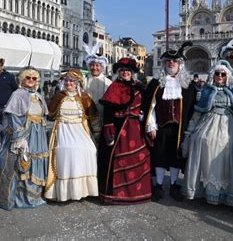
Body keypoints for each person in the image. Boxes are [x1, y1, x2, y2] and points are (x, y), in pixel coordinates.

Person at [143, 41, 196, 202]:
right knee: (159, 155)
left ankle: (173, 184)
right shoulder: (156, 84)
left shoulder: (188, 85)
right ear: (164, 64)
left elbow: (193, 108)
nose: (171, 63)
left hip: (180, 128)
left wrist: (190, 128)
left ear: (179, 64)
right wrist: (151, 126)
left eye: (174, 61)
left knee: (175, 157)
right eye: (168, 61)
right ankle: (158, 185)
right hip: (161, 127)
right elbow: (149, 107)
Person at [184, 60, 233, 206]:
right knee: (203, 140)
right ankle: (206, 189)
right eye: (217, 73)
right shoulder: (206, 91)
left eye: (223, 74)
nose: (220, 76)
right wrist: (190, 131)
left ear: (227, 76)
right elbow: (197, 113)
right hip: (209, 121)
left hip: (228, 124)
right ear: (213, 75)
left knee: (228, 146)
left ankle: (225, 192)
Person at [98, 57, 152, 204]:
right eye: (122, 71)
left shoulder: (140, 86)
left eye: (128, 71)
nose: (125, 73)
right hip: (120, 128)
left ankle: (137, 192)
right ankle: (117, 195)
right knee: (119, 158)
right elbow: (108, 112)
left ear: (132, 72)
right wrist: (109, 130)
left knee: (139, 157)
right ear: (119, 72)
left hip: (136, 128)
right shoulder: (114, 88)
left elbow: (147, 107)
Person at [44, 69, 100, 202]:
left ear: (78, 83)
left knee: (90, 150)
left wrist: (97, 132)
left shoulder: (84, 97)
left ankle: (83, 190)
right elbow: (50, 114)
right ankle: (65, 192)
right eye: (67, 80)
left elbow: (94, 116)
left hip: (80, 130)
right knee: (68, 150)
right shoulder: (59, 96)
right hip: (63, 130)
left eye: (72, 81)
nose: (69, 83)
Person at [0, 68, 49, 210]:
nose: (31, 81)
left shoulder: (38, 95)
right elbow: (13, 117)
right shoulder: (17, 94)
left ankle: (35, 196)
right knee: (24, 163)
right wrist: (19, 138)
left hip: (38, 134)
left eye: (34, 78)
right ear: (22, 79)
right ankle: (23, 198)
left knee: (37, 162)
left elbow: (43, 115)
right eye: (28, 78)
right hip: (26, 134)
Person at [83, 43, 112, 136]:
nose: (94, 68)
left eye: (97, 65)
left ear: (102, 67)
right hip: (85, 119)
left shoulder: (108, 83)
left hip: (102, 119)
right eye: (92, 65)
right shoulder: (83, 81)